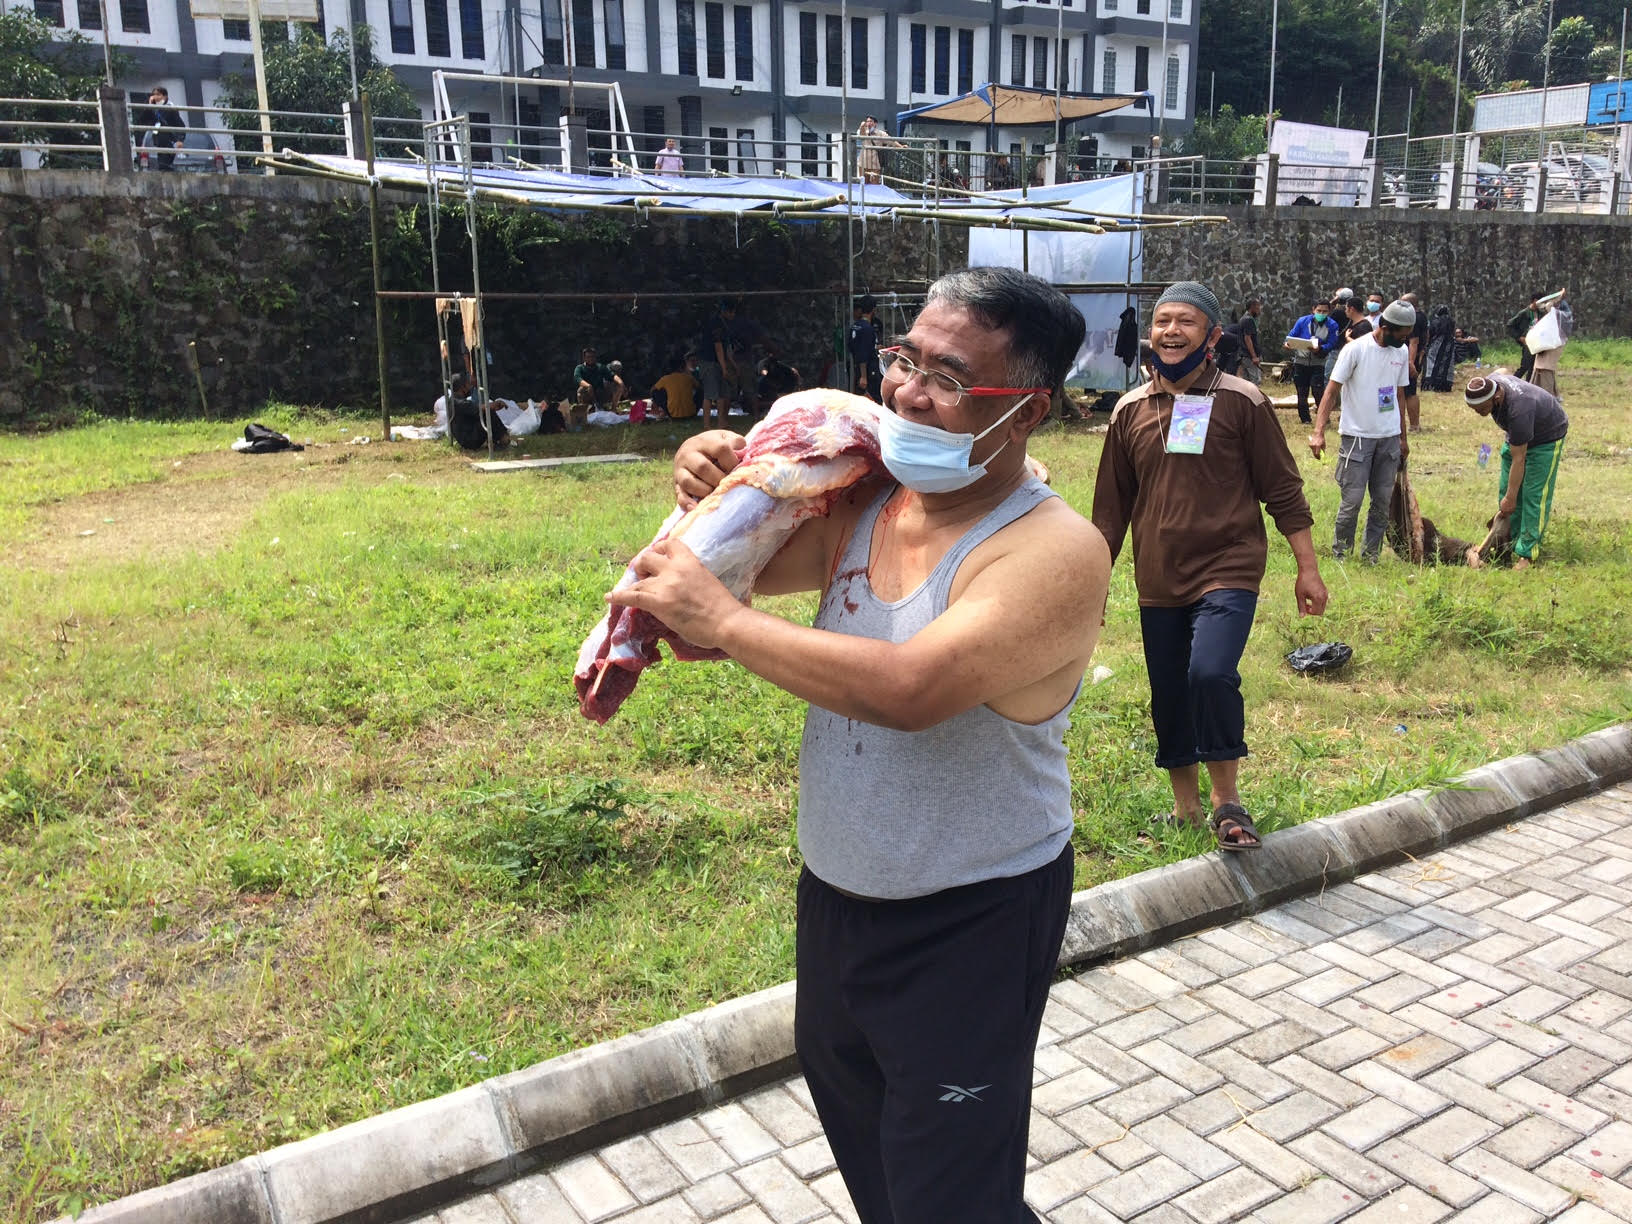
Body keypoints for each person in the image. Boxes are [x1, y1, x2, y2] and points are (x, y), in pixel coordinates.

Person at [618, 266, 1108, 1224]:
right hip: (840, 899)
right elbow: (741, 576)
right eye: (903, 360)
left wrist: (717, 618)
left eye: (950, 379)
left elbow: (911, 688)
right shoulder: (868, 504)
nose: (907, 393)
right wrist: (726, 475)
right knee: (883, 1167)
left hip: (973, 917)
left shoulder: (1052, 550)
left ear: (1028, 411)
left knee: (950, 1194)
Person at [1093, 281, 1325, 853]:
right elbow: (1108, 513)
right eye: (1162, 321)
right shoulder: (1129, 411)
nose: (1170, 331)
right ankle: (1185, 807)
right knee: (1169, 689)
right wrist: (1092, 586)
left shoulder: (1243, 402)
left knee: (1210, 673)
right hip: (1158, 577)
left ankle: (1227, 800)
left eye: (1186, 322)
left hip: (1229, 566)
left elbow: (1284, 490)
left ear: (1213, 335)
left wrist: (1308, 569)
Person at [1308, 299, 1414, 563]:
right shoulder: (1355, 350)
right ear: (1386, 327)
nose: (1404, 341)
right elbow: (1331, 391)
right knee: (1352, 501)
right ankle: (1341, 554)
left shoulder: (1400, 353)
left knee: (1381, 502)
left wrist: (1402, 437)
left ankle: (1371, 556)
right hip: (1357, 438)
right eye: (1400, 335)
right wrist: (1319, 431)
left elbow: (1399, 395)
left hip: (1388, 440)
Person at [1462, 374, 1567, 571]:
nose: (1477, 412)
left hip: (1546, 438)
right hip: (1517, 436)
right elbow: (1501, 370)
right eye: (1473, 409)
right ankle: (1508, 543)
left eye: (1481, 408)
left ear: (1496, 398)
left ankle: (1527, 554)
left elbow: (1520, 459)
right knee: (1506, 492)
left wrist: (1511, 498)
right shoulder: (1492, 382)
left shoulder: (1519, 409)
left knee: (1532, 496)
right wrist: (1508, 497)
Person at [1286, 298, 1340, 425]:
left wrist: (1321, 348)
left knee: (1318, 391)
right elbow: (1291, 336)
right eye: (1319, 310)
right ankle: (1305, 419)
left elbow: (1333, 343)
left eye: (1324, 311)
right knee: (1301, 392)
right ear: (1313, 310)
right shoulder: (1302, 321)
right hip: (1300, 361)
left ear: (1329, 311)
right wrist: (1287, 344)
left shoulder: (1332, 325)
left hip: (1318, 363)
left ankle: (1324, 418)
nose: (1321, 313)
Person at [695, 299, 737, 430]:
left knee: (722, 394)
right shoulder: (716, 324)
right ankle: (707, 425)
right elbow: (718, 347)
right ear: (725, 311)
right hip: (709, 362)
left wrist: (733, 365)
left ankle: (721, 423)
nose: (733, 315)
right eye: (732, 312)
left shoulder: (725, 324)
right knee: (710, 394)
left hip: (719, 362)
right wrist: (724, 368)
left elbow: (726, 348)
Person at [1526, 289, 1572, 400]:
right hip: (1547, 342)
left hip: (1554, 343)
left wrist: (1557, 299)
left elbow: (1552, 311)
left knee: (1546, 367)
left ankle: (1549, 395)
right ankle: (1537, 392)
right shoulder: (1552, 315)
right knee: (1539, 366)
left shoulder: (1562, 314)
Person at [1400, 291, 1429, 431]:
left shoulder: (1414, 318)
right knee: (1409, 391)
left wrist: (1410, 362)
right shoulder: (1422, 316)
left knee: (1409, 392)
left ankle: (1414, 425)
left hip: (1410, 359)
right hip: (1417, 357)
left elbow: (1413, 342)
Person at [143, 86, 186, 171]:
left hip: (169, 141)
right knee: (163, 165)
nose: (155, 97)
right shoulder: (154, 109)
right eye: (154, 95)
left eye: (158, 94)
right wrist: (150, 105)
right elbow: (144, 119)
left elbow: (180, 124)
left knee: (164, 165)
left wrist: (180, 139)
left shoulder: (170, 108)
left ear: (165, 96)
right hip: (159, 141)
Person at [848, 295, 882, 402]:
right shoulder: (868, 329)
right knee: (873, 399)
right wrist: (864, 376)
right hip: (868, 370)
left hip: (856, 367)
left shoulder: (855, 326)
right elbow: (863, 353)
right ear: (873, 310)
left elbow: (855, 346)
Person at [651, 351, 701, 420]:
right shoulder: (689, 377)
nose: (694, 363)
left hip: (673, 415)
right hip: (690, 414)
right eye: (692, 361)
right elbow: (699, 388)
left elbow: (652, 390)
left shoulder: (665, 379)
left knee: (656, 392)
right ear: (683, 366)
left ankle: (666, 412)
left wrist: (654, 403)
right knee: (701, 391)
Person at [854, 116, 900, 185]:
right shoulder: (864, 131)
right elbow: (861, 135)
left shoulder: (880, 133)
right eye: (867, 121)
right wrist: (862, 126)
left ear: (875, 123)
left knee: (874, 184)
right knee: (863, 184)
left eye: (871, 121)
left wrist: (901, 146)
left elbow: (891, 140)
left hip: (875, 162)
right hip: (863, 162)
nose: (869, 123)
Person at [1506, 293, 1541, 382]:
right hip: (1527, 342)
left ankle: (1529, 386)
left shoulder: (1540, 313)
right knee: (1525, 366)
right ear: (1535, 301)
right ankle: (1511, 382)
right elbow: (1510, 325)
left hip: (1537, 343)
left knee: (1533, 368)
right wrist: (1519, 337)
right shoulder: (1524, 313)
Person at [1421, 305, 1457, 392]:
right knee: (1447, 365)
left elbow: (1430, 334)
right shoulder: (1451, 321)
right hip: (1449, 345)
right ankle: (1444, 385)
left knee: (1432, 364)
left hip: (1436, 344)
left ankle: (1431, 383)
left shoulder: (1435, 321)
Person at [1326, 288, 1355, 382]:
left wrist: (1331, 303)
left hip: (1336, 346)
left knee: (1329, 375)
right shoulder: (1352, 312)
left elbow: (1325, 321)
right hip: (1346, 345)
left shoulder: (1337, 312)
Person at [1236, 298, 1263, 385]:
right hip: (1249, 357)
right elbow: (1247, 339)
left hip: (1244, 356)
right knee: (1255, 381)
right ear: (1252, 307)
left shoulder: (1243, 319)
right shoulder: (1248, 320)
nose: (1259, 309)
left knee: (1246, 382)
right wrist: (1254, 356)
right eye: (1258, 306)